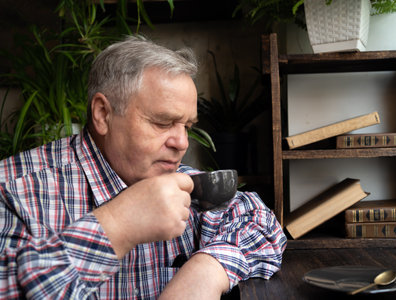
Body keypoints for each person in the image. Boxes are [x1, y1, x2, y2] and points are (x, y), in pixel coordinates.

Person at [0, 35, 286, 299]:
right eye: (163, 122)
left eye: (187, 126)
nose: (182, 142)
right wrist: (118, 225)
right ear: (103, 114)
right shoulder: (13, 191)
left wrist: (207, 270)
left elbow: (260, 222)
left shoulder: (179, 181)